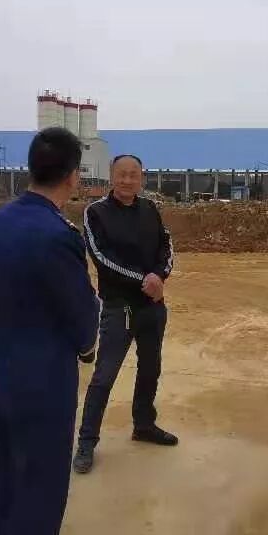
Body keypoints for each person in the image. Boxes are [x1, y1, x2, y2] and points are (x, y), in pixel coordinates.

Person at [0, 128, 100, 535]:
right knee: (41, 488)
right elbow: (82, 320)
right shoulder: (58, 235)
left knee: (7, 477)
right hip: (42, 383)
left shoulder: (1, 220)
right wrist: (88, 342)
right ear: (73, 176)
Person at [73, 154, 177, 474]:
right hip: (120, 309)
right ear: (112, 176)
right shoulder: (96, 212)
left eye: (134, 174)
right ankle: (87, 441)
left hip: (152, 307)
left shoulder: (150, 209)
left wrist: (159, 275)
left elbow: (166, 247)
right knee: (104, 376)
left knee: (150, 369)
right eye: (122, 174)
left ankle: (144, 425)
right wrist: (144, 280)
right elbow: (102, 258)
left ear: (141, 178)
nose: (128, 180)